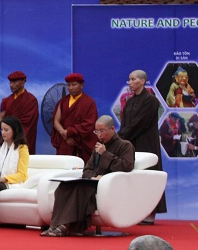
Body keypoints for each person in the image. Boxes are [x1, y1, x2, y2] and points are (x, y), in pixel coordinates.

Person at [41, 115, 134, 237]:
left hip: (108, 185)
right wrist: (93, 177)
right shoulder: (98, 146)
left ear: (112, 129)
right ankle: (55, 225)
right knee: (64, 187)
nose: (99, 135)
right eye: (97, 131)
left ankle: (66, 226)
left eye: (102, 131)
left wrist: (105, 155)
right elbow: (87, 169)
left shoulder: (125, 145)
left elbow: (127, 166)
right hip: (93, 181)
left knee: (80, 189)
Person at [117, 70, 166, 224]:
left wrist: (120, 137)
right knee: (133, 176)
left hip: (146, 143)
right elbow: (125, 122)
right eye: (129, 79)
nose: (130, 82)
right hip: (131, 143)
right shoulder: (130, 101)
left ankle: (151, 213)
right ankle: (135, 211)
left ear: (143, 81)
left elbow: (140, 123)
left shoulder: (151, 100)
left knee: (148, 175)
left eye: (133, 79)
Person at [51, 73, 98, 163]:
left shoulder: (89, 102)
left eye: (74, 85)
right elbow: (56, 121)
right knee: (63, 166)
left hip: (82, 142)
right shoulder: (63, 101)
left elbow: (90, 123)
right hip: (65, 141)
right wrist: (65, 135)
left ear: (82, 85)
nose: (71, 88)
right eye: (68, 85)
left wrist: (69, 131)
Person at [0, 71, 39, 155]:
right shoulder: (6, 100)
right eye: (10, 82)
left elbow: (28, 123)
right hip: (7, 141)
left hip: (23, 140)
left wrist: (12, 133)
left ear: (23, 82)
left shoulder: (31, 100)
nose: (11, 85)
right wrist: (6, 130)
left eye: (14, 82)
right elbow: (0, 119)